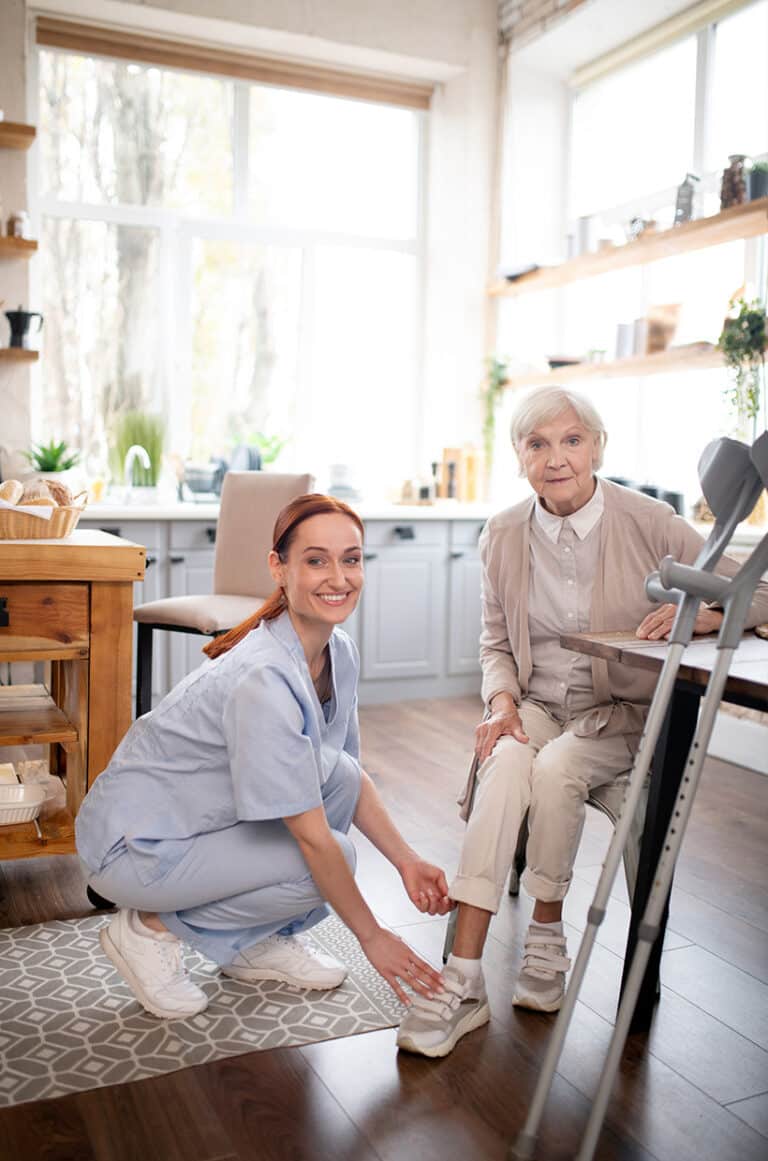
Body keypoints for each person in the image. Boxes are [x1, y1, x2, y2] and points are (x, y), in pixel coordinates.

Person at [397, 386, 768, 1058]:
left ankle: (545, 933)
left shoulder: (652, 520)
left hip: (620, 715)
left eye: (571, 440)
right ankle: (464, 976)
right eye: (537, 443)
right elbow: (494, 642)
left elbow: (759, 591)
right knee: (507, 758)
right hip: (537, 707)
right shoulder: (503, 532)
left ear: (597, 447)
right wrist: (502, 703)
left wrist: (712, 614)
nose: (556, 457)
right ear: (518, 457)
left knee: (556, 764)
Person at [76, 493, 452, 1020]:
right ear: (279, 568)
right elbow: (313, 839)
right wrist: (373, 936)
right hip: (133, 846)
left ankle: (254, 940)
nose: (338, 577)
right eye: (316, 560)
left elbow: (350, 775)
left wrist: (408, 861)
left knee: (338, 777)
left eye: (351, 558)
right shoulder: (262, 678)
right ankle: (147, 931)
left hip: (196, 825)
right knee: (331, 857)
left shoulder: (337, 652)